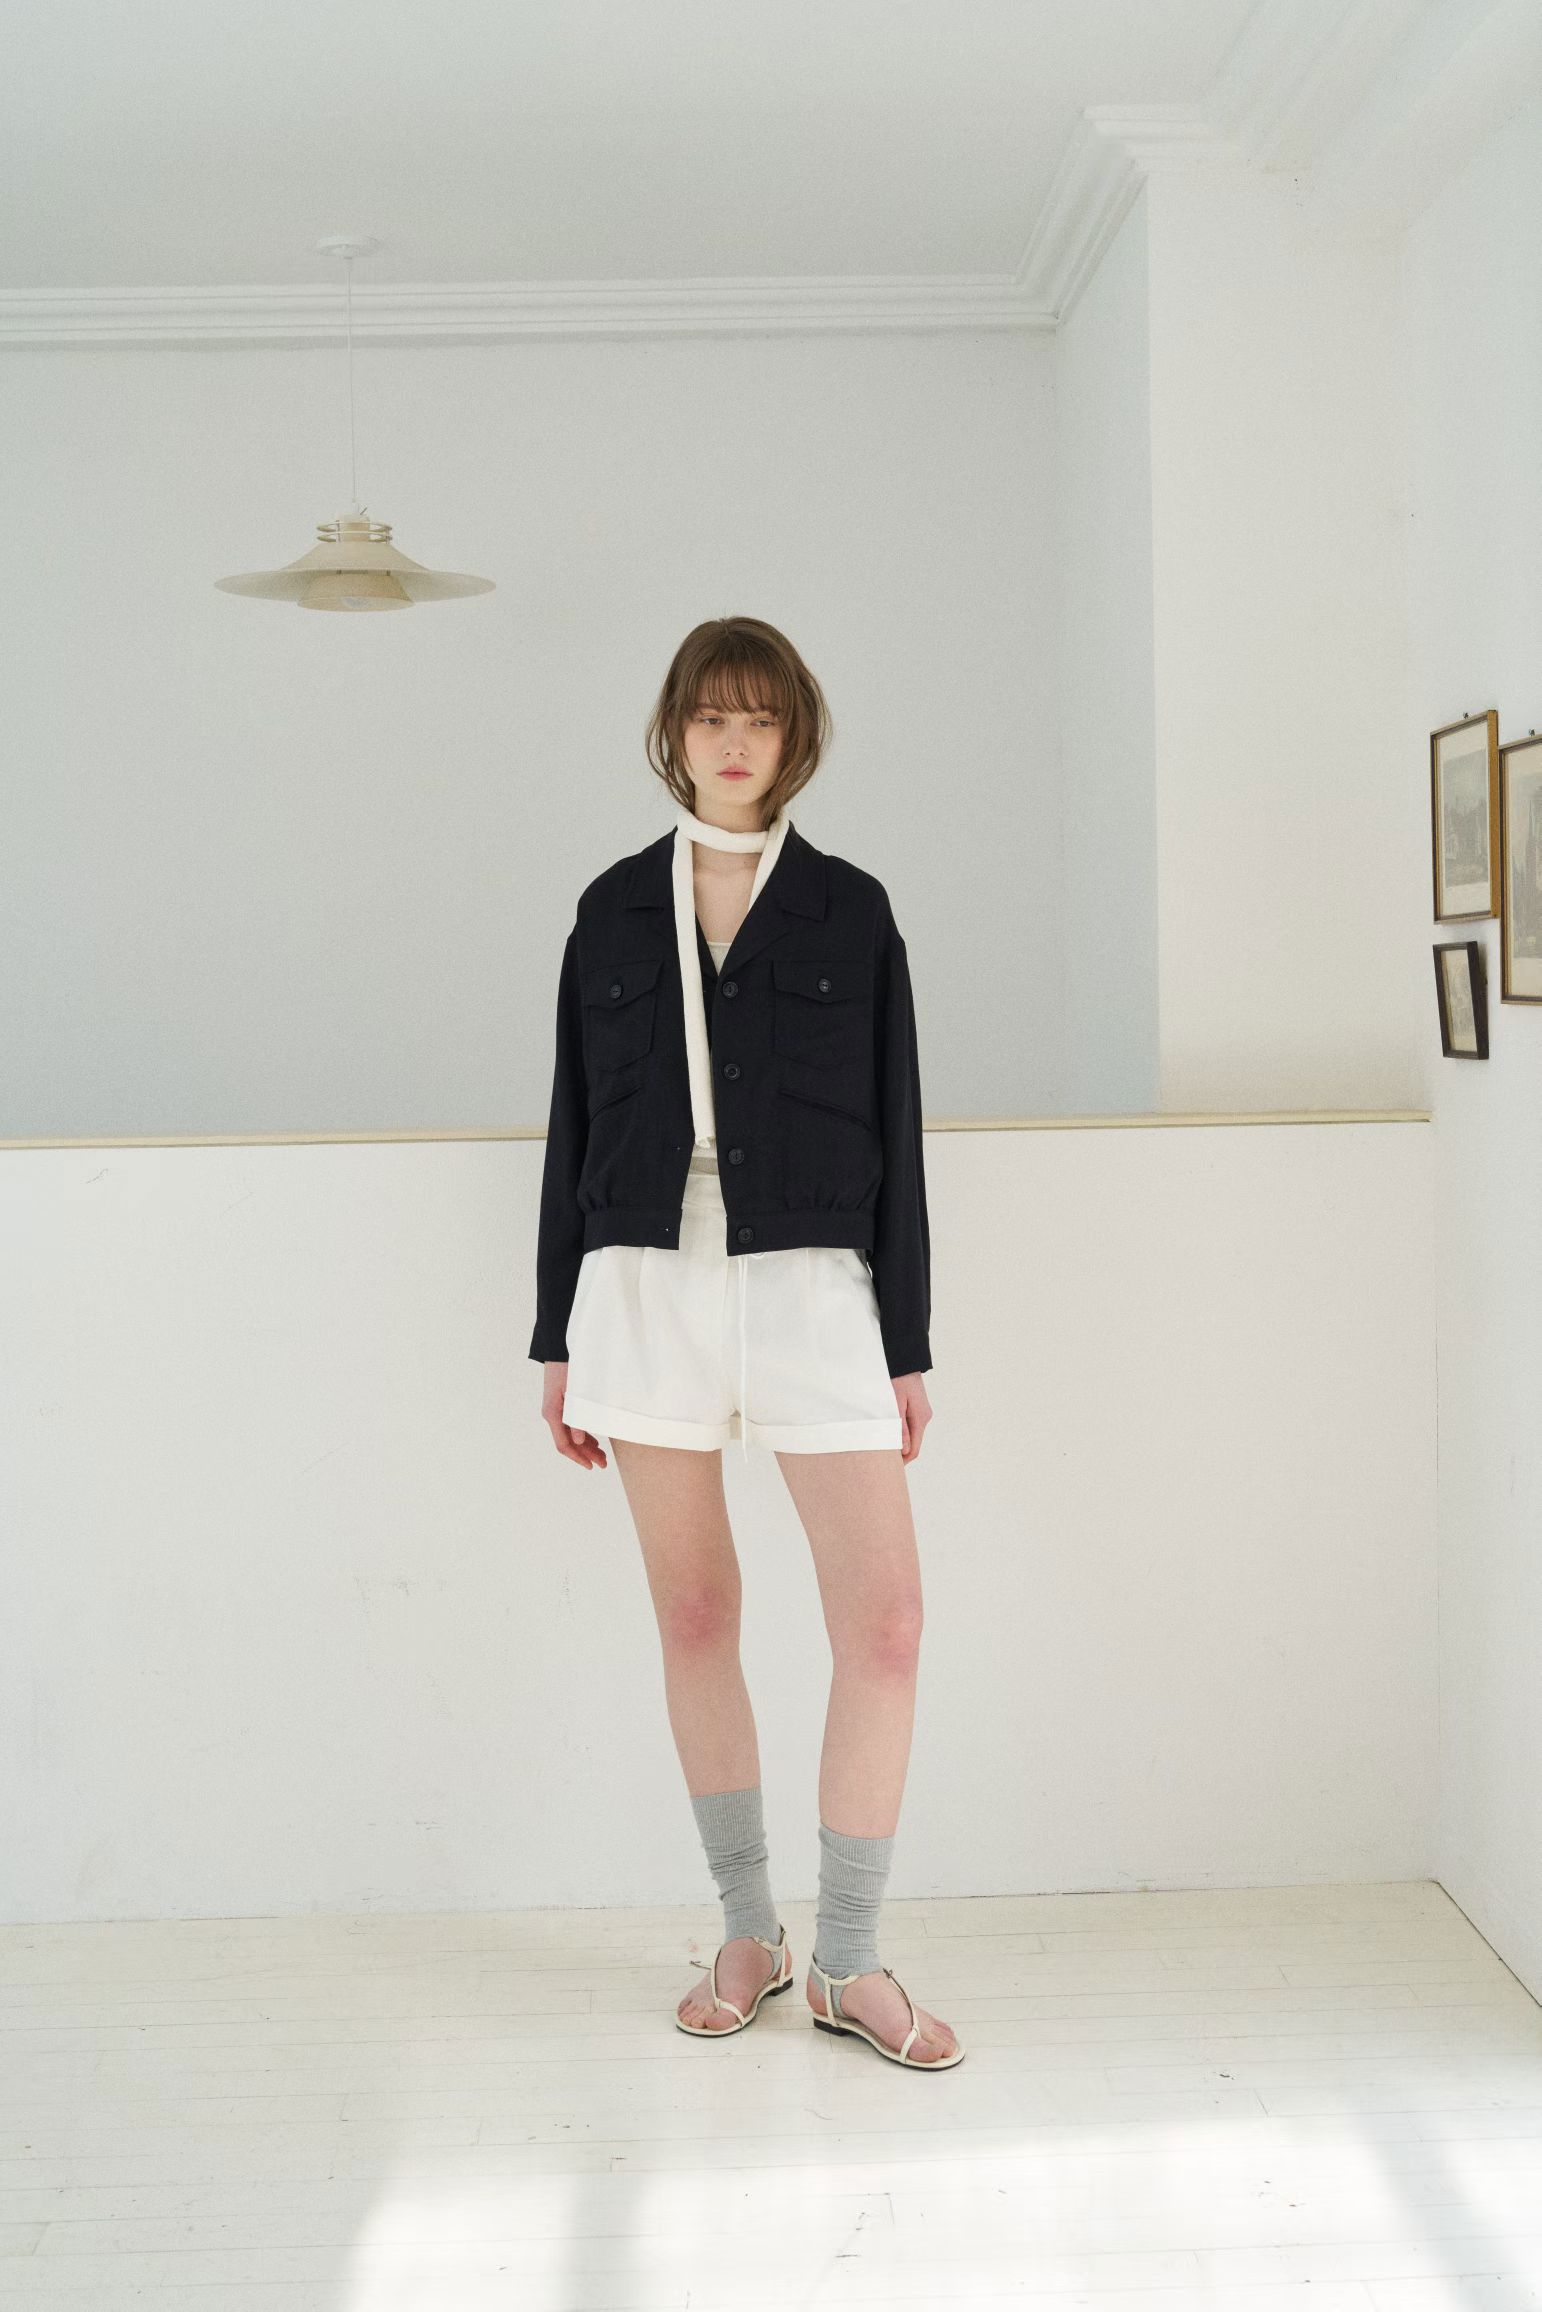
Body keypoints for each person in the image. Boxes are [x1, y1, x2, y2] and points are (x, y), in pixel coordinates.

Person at [529, 616, 962, 2070]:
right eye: (710, 716)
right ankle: (745, 1931)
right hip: (641, 1283)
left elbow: (899, 1127)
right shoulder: (609, 908)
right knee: (697, 1615)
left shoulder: (849, 909)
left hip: (813, 1282)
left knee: (885, 1623)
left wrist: (903, 1343)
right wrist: (557, 1336)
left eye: (759, 718)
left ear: (793, 738)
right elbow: (571, 1129)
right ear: (675, 732)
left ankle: (850, 1956)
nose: (732, 741)